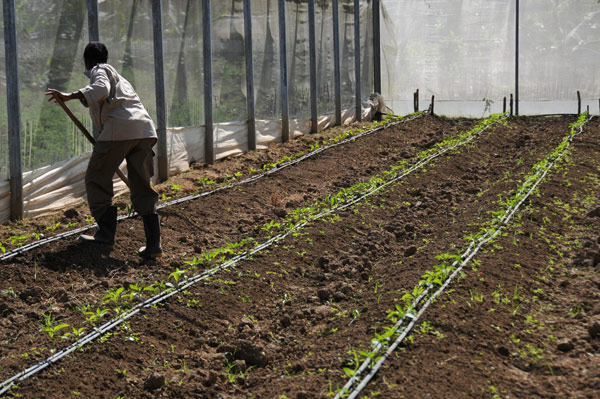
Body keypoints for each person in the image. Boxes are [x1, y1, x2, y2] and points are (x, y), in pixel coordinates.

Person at [46, 42, 162, 260]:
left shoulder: (100, 70)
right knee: (141, 186)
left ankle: (106, 234)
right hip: (144, 130)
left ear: (87, 60)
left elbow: (100, 89)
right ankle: (153, 245)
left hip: (120, 131)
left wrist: (70, 95)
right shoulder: (120, 78)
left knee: (96, 179)